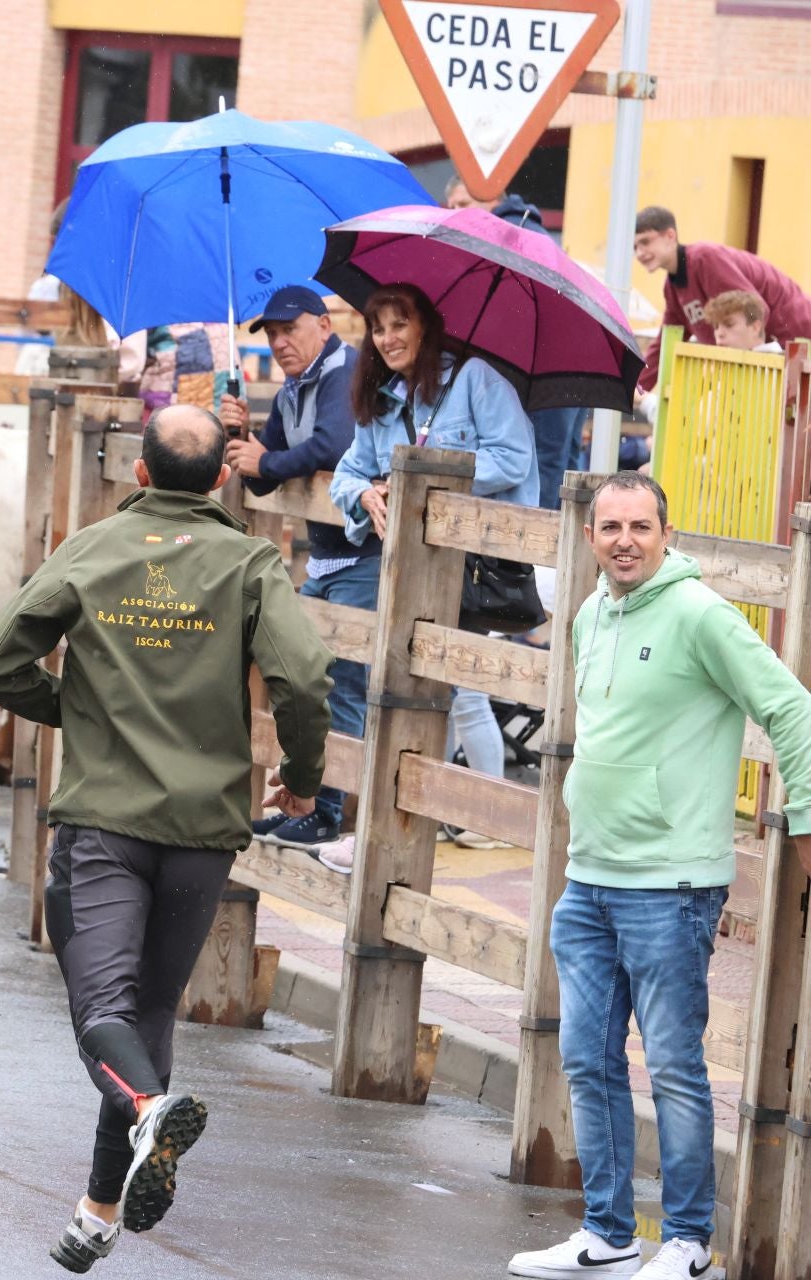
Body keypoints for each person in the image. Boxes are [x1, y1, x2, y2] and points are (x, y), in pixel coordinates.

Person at [0, 405, 332, 1273]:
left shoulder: (92, 550)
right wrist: (305, 774)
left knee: (102, 1015)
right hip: (202, 830)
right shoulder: (250, 561)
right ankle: (98, 1211)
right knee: (148, 1012)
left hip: (103, 820)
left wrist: (74, 712)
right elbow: (305, 676)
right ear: (220, 479)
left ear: (139, 474)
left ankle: (148, 1107)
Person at [506, 472, 811, 1280]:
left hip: (671, 885)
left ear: (666, 533)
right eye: (610, 527)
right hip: (590, 878)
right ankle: (607, 1233)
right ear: (590, 537)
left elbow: (792, 708)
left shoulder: (701, 615)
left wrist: (808, 820)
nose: (625, 541)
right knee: (586, 1057)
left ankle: (685, 1242)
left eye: (641, 526)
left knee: (674, 1064)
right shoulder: (588, 613)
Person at [330, 282, 538, 849]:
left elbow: (513, 457)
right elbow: (348, 471)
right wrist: (364, 496)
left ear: (426, 328)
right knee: (427, 683)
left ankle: (481, 814)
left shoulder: (475, 379)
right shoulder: (382, 398)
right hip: (417, 567)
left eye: (400, 324)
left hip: (478, 563)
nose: (389, 337)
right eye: (379, 328)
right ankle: (433, 811)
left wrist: (426, 475)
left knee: (456, 684)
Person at [219, 286, 371, 861]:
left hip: (366, 553)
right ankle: (312, 808)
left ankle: (329, 815)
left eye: (291, 329)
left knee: (345, 685)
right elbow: (260, 477)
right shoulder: (294, 387)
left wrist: (268, 460)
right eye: (273, 334)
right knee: (308, 678)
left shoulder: (345, 373)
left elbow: (335, 442)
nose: (281, 342)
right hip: (327, 555)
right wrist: (241, 432)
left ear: (324, 325)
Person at [442, 175, 585, 510]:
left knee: (544, 458)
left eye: (463, 204)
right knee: (566, 461)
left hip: (543, 359)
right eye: (452, 207)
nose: (457, 214)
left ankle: (541, 550)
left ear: (490, 197)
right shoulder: (533, 232)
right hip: (572, 360)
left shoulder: (501, 236)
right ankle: (564, 550)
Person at [632, 206, 811, 398]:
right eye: (635, 247)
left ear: (670, 235)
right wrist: (635, 387)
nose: (640, 253)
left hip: (795, 334)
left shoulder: (705, 259)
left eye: (645, 242)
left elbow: (754, 308)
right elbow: (665, 345)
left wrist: (759, 347)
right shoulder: (672, 289)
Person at [702, 289, 784, 354]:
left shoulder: (781, 370)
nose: (719, 333)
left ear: (755, 328)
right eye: (716, 326)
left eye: (729, 325)